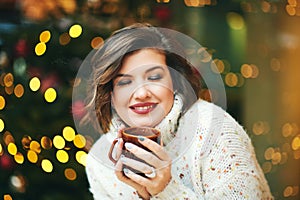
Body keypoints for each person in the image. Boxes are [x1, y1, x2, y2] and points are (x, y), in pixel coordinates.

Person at [80, 23, 273, 199]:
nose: (141, 93)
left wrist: (166, 190)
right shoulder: (100, 159)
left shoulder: (215, 131)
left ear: (175, 81)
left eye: (154, 77)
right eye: (124, 82)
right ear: (111, 94)